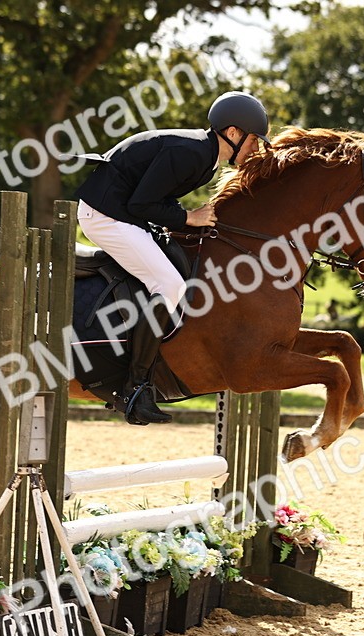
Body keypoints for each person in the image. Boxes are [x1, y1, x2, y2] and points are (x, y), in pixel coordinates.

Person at [74, 90, 271, 424]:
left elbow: (153, 200)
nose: (255, 148)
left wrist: (185, 219)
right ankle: (135, 387)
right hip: (105, 215)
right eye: (253, 140)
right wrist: (188, 217)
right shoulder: (192, 153)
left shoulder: (205, 158)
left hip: (123, 213)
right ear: (233, 133)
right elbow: (142, 204)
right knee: (168, 285)